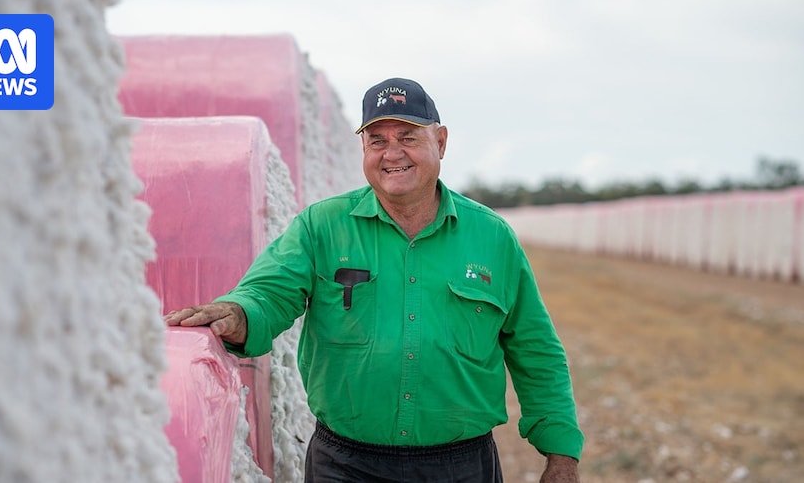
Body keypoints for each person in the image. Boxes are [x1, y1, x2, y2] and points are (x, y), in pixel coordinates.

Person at [164, 77, 584, 482]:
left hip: (461, 466)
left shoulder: (492, 237)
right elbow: (270, 290)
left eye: (408, 137)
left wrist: (561, 456)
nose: (392, 152)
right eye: (377, 140)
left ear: (440, 142)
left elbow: (535, 350)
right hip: (346, 465)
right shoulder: (321, 226)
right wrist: (240, 311)